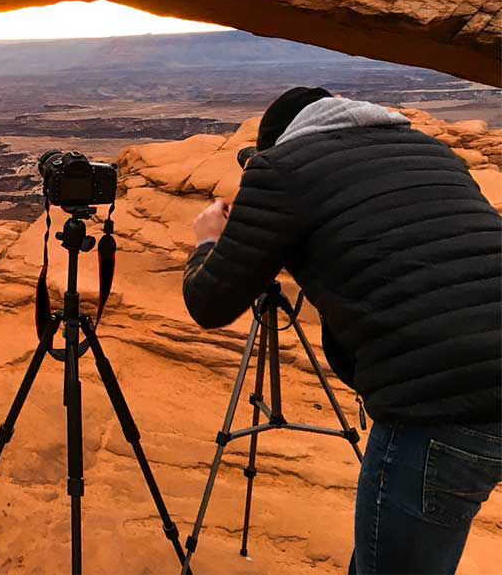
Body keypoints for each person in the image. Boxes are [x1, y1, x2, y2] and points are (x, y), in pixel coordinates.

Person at [182, 86, 502, 574]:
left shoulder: (284, 170)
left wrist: (208, 243)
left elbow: (209, 302)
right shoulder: (432, 151)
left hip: (441, 402)